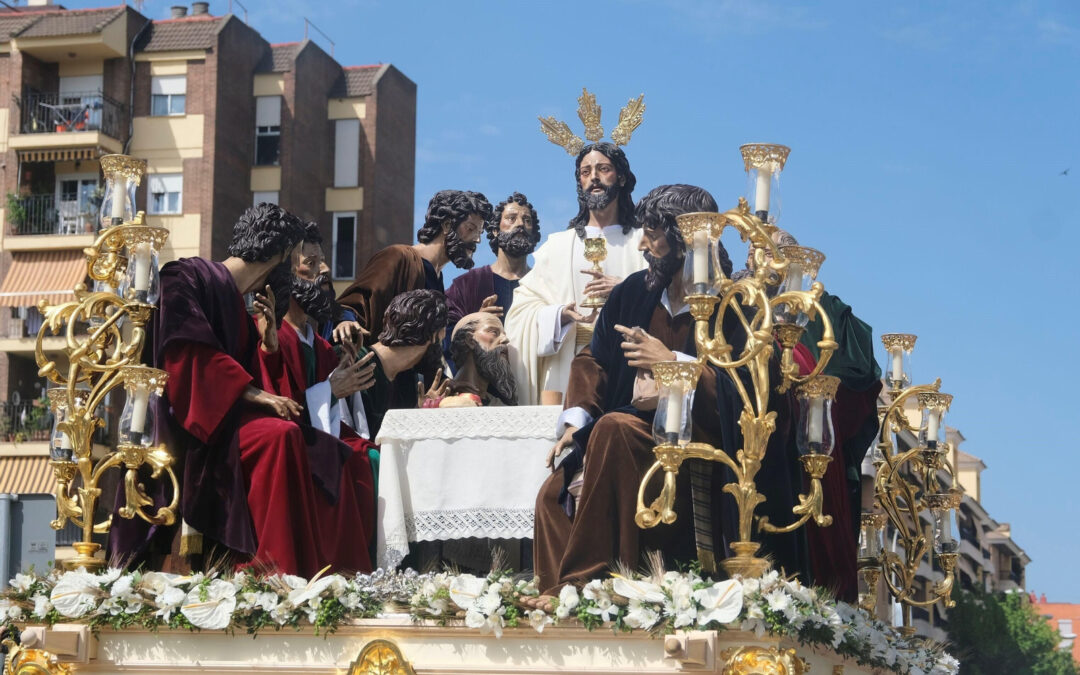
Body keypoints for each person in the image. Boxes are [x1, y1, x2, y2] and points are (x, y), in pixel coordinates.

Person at [109, 203, 373, 576]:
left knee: (325, 449)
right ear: (278, 255)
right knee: (280, 437)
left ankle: (324, 571)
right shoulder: (184, 276)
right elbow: (185, 351)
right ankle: (268, 568)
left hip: (225, 418)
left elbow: (263, 377)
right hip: (187, 423)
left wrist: (269, 344)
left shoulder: (239, 303)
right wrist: (255, 394)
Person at [533, 184, 764, 595]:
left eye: (653, 234)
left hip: (701, 438)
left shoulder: (734, 303)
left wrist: (672, 364)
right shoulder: (635, 291)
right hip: (628, 425)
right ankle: (556, 598)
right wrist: (577, 417)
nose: (642, 243)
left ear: (685, 237)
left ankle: (590, 582)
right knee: (553, 492)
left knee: (614, 429)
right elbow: (593, 359)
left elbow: (745, 392)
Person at [506, 143, 648, 406]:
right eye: (585, 172)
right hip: (568, 370)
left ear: (622, 177)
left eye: (603, 169)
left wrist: (626, 289)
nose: (593, 177)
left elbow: (665, 302)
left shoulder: (644, 242)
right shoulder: (557, 247)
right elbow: (520, 312)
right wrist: (558, 316)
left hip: (628, 366)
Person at [335, 190, 491, 342]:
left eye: (480, 232)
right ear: (447, 224)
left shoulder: (438, 278)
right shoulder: (398, 257)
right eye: (471, 229)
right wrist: (345, 320)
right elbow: (355, 303)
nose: (477, 240)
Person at [444, 192, 540, 335]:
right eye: (511, 218)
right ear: (495, 230)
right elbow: (444, 334)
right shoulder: (466, 285)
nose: (520, 224)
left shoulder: (544, 283)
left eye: (527, 220)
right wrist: (474, 323)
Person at [357, 289, 448, 440]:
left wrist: (418, 414)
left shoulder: (406, 379)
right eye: (442, 332)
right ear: (431, 335)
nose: (443, 340)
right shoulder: (356, 362)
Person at [426, 312, 516, 408]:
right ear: (470, 340)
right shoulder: (438, 402)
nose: (505, 340)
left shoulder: (501, 408)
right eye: (494, 332)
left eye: (504, 334)